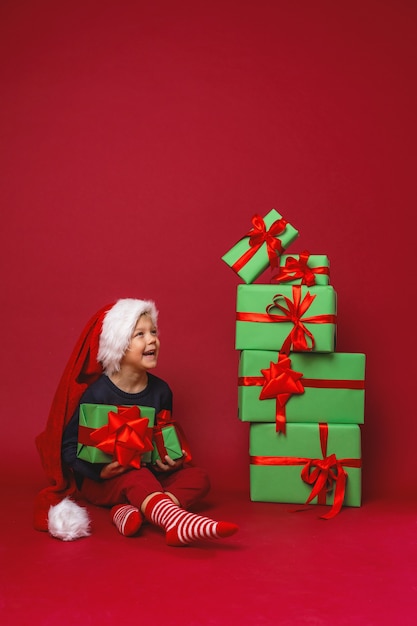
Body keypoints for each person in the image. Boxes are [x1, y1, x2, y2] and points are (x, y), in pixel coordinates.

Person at [34, 298, 238, 546]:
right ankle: (174, 521)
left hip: (148, 477)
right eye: (139, 334)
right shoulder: (97, 394)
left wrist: (170, 463)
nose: (152, 339)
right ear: (118, 345)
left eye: (153, 332)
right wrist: (100, 470)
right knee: (136, 476)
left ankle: (131, 511)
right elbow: (67, 448)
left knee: (198, 477)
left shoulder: (161, 391)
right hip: (103, 482)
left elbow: (162, 439)